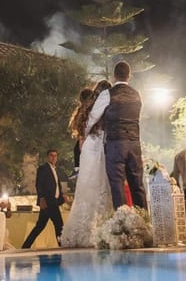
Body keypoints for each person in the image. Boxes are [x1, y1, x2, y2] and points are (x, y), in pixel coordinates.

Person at [85, 60, 147, 210]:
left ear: (114, 76)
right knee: (137, 184)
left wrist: (86, 134)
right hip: (134, 143)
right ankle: (144, 220)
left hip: (115, 143)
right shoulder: (137, 95)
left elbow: (93, 117)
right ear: (129, 76)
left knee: (117, 183)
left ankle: (122, 222)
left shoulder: (108, 94)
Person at [61, 80, 113, 247]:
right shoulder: (99, 109)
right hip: (96, 149)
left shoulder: (87, 109)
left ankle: (85, 231)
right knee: (98, 188)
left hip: (89, 150)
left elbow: (82, 138)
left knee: (88, 190)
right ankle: (95, 231)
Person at [21, 149, 65, 248]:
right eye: (51, 156)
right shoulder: (43, 168)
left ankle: (26, 245)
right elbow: (39, 184)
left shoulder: (55, 170)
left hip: (54, 201)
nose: (53, 158)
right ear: (47, 157)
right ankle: (62, 245)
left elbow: (57, 186)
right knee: (59, 224)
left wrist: (61, 197)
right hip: (48, 201)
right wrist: (41, 198)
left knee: (40, 226)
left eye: (55, 156)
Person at [68, 87, 94, 178]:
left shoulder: (82, 110)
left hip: (86, 139)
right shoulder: (91, 109)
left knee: (77, 149)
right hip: (90, 139)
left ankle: (77, 168)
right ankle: (78, 168)